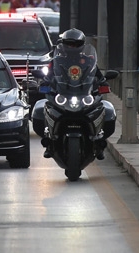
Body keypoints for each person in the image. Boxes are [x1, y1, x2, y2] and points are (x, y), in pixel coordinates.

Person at [40, 28, 111, 159]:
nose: (72, 47)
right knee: (40, 108)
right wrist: (44, 83)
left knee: (107, 110)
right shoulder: (57, 61)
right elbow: (48, 76)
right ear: (64, 44)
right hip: (63, 95)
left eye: (76, 44)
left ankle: (99, 142)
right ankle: (49, 142)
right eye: (69, 44)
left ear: (81, 45)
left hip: (83, 94)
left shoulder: (88, 61)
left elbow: (98, 75)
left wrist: (104, 83)